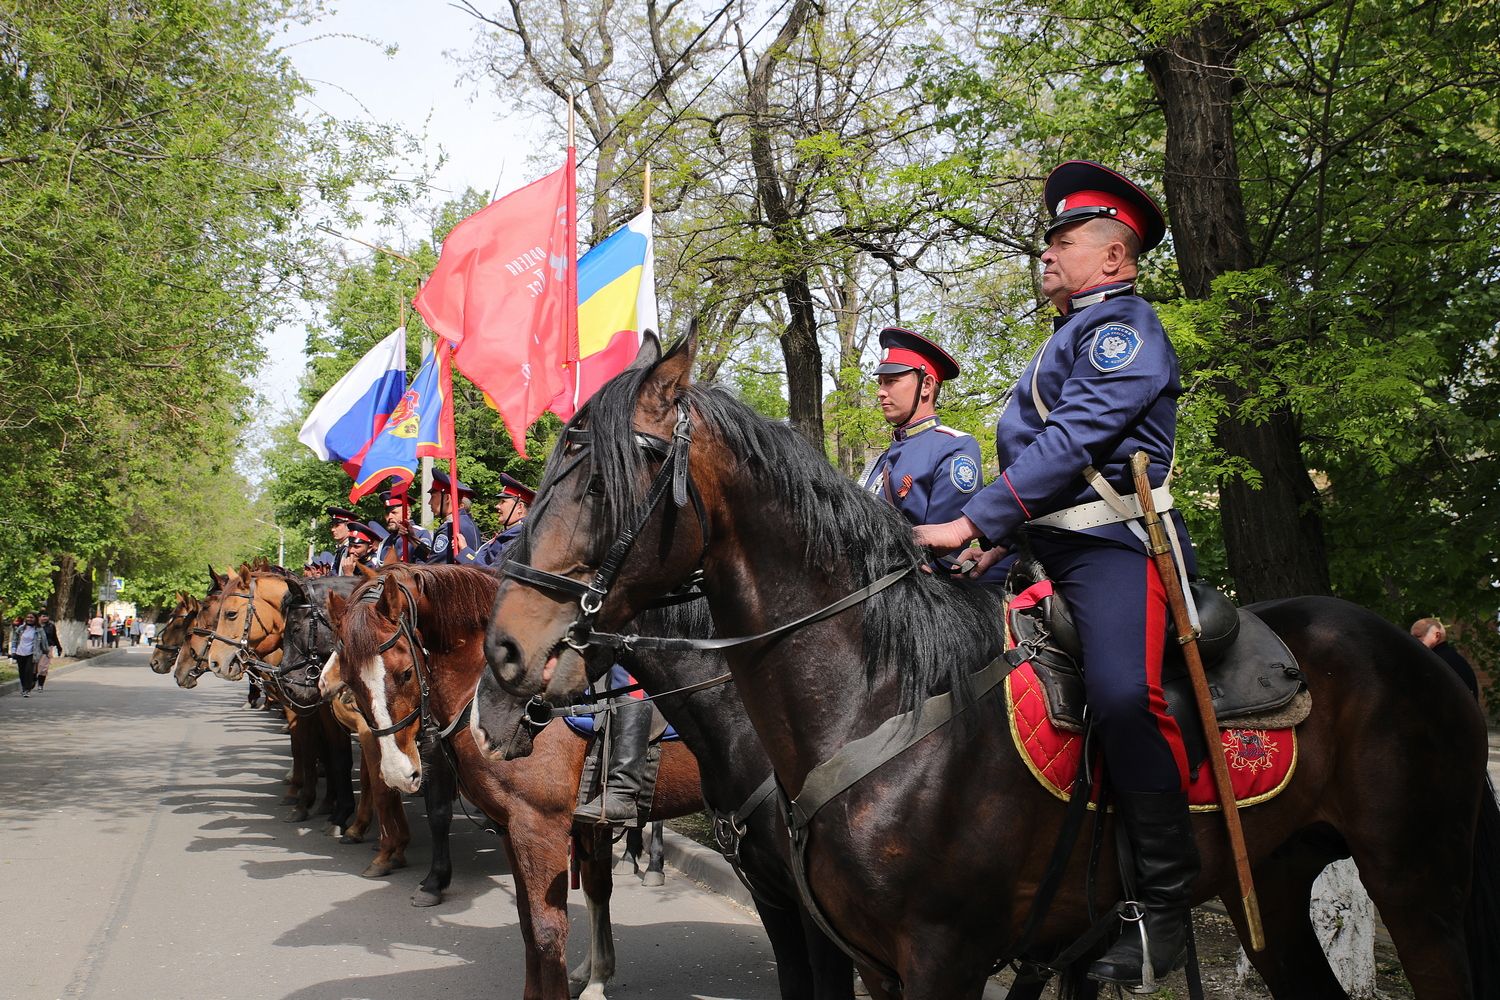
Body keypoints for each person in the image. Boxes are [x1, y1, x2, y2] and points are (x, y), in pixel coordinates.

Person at [913, 161, 1195, 988]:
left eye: (1063, 241)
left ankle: (1166, 909)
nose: (1047, 255)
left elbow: (1074, 442)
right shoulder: (1071, 332)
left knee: (1119, 695)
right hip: (1050, 549)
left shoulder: (1125, 329)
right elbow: (1053, 465)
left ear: (1114, 258)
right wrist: (998, 544)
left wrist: (975, 517)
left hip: (1115, 550)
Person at [860, 326, 989, 575]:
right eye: (880, 382)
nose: (880, 392)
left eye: (891, 381)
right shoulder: (879, 461)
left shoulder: (953, 448)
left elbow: (943, 553)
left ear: (927, 385)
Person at [461, 473, 533, 568]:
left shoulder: (517, 534)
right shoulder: (513, 531)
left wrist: (465, 553)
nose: (497, 506)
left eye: (503, 502)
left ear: (519, 507)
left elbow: (493, 572)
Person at [415, 471, 479, 564]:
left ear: (447, 498)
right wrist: (412, 538)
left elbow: (435, 566)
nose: (429, 502)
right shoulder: (468, 523)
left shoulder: (449, 528)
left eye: (433, 497)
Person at [1410, 618, 1480, 700]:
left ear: (1437, 636)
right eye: (1411, 637)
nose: (1412, 641)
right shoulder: (1452, 658)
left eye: (1418, 636)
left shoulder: (1437, 661)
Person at [9, 611, 40, 696]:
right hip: (20, 652)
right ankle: (24, 688)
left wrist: (46, 651)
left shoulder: (38, 630)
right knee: (22, 672)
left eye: (31, 617)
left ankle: (27, 690)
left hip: (31, 653)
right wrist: (13, 651)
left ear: (35, 619)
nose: (29, 619)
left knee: (28, 671)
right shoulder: (21, 628)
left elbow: (43, 642)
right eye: (28, 617)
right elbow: (14, 640)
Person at [34, 613, 62, 691]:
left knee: (43, 667)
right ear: (39, 617)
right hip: (35, 647)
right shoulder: (34, 626)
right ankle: (32, 681)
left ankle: (40, 685)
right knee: (34, 666)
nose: (45, 618)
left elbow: (54, 637)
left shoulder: (51, 626)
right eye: (43, 616)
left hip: (47, 648)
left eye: (46, 616)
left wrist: (59, 647)